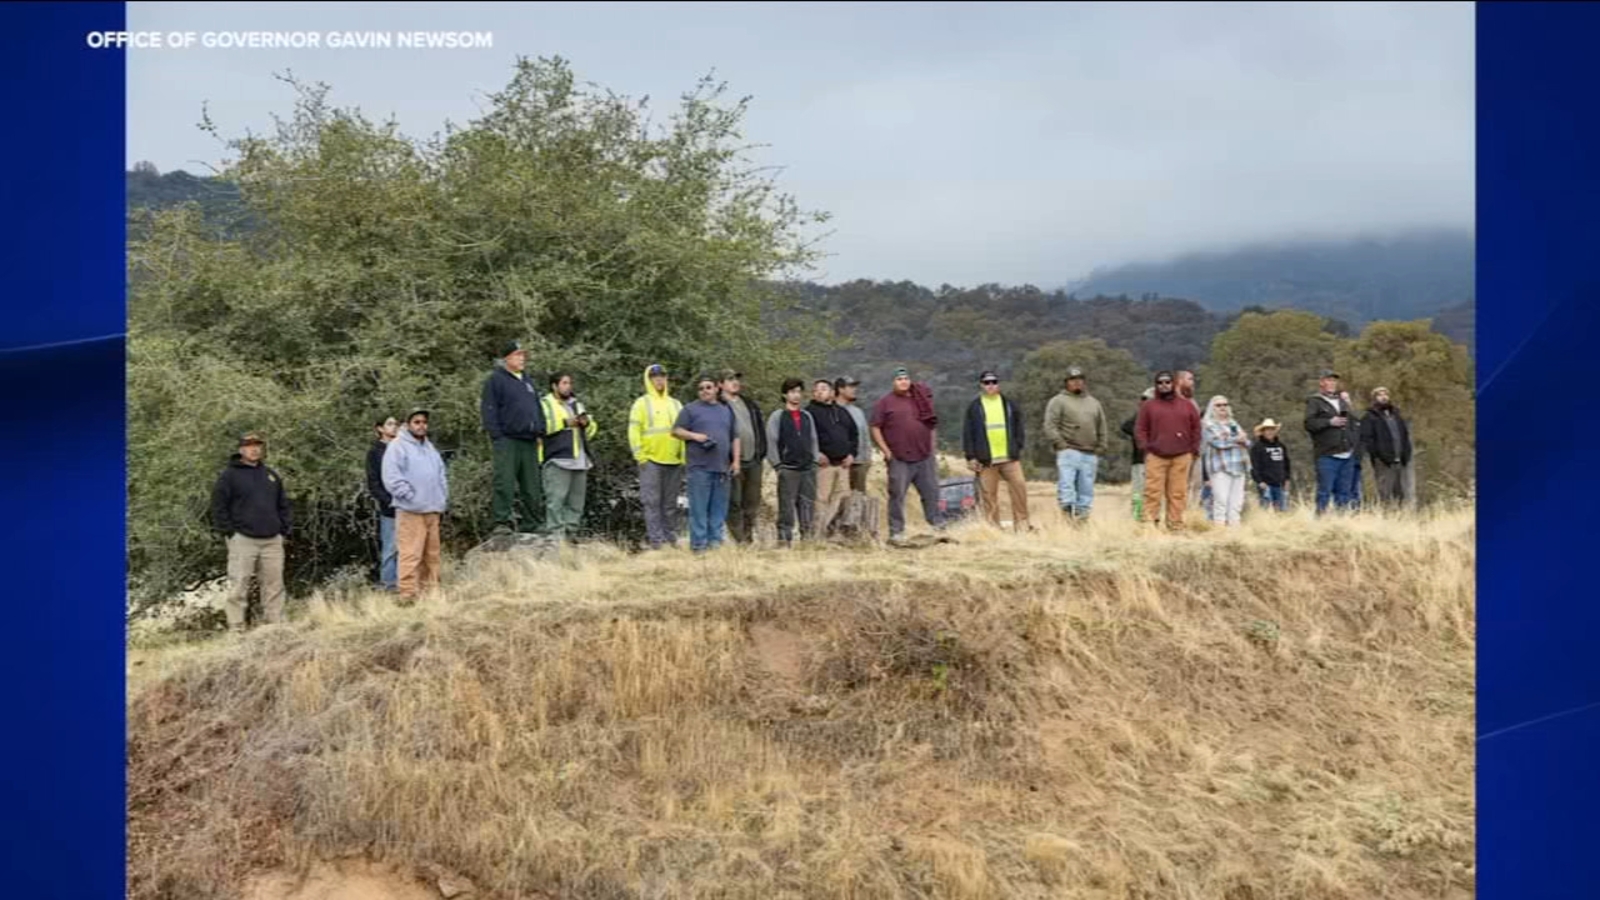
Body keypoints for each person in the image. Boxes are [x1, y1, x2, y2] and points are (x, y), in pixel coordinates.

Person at [210, 432, 293, 631]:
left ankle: (275, 624)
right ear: (241, 450)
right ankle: (236, 626)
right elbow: (218, 507)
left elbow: (283, 504)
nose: (254, 449)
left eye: (257, 445)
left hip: (272, 539)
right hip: (243, 539)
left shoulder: (270, 475)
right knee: (239, 584)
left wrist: (284, 529)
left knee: (274, 584)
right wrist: (230, 532)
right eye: (249, 445)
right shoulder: (228, 476)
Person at [870, 366, 945, 540]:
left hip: (924, 456)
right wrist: (886, 451)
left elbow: (931, 424)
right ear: (892, 382)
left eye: (905, 379)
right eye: (899, 379)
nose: (903, 382)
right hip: (899, 457)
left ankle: (937, 525)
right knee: (897, 495)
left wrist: (932, 447)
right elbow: (875, 427)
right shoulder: (885, 403)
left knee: (931, 492)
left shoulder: (920, 399)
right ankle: (897, 531)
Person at [383, 409, 449, 602]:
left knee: (432, 555)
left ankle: (431, 592)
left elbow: (441, 474)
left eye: (424, 422)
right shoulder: (397, 446)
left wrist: (442, 498)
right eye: (417, 422)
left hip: (432, 509)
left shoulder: (430, 448)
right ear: (408, 424)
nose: (421, 425)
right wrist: (409, 496)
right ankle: (408, 595)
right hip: (410, 510)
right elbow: (392, 477)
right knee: (410, 554)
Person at [480, 340, 545, 536]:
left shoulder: (528, 381)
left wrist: (540, 429)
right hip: (508, 439)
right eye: (518, 354)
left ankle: (532, 522)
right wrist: (497, 435)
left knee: (532, 484)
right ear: (507, 358)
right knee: (505, 482)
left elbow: (537, 408)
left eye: (523, 354)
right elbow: (488, 409)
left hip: (530, 440)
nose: (522, 358)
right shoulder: (496, 380)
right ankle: (502, 521)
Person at [672, 374, 741, 554]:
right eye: (701, 388)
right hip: (699, 467)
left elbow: (735, 437)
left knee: (718, 510)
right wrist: (695, 436)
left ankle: (715, 545)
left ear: (717, 389)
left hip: (722, 468)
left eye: (708, 387)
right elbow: (676, 431)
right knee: (699, 509)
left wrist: (736, 461)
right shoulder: (690, 409)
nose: (705, 391)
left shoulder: (726, 410)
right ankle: (699, 547)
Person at [962, 370, 1030, 531]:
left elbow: (1019, 427)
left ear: (998, 384)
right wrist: (971, 457)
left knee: (1019, 488)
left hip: (1010, 458)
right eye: (987, 383)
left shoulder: (1009, 404)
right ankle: (993, 530)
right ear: (981, 385)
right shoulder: (974, 407)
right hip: (987, 460)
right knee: (989, 496)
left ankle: (1022, 526)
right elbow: (967, 433)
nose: (991, 385)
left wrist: (1018, 445)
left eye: (994, 382)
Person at [1135, 371, 1202, 531]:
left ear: (1173, 384)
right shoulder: (1149, 406)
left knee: (1178, 493)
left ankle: (1175, 524)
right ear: (1156, 385)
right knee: (1152, 492)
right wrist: (1146, 446)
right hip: (1156, 455)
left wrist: (1193, 449)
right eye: (1160, 383)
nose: (1164, 385)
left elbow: (1196, 428)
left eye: (1167, 382)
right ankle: (1150, 524)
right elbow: (1140, 428)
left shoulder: (1187, 405)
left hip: (1181, 455)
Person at [629, 364, 686, 550]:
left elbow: (684, 431)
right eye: (655, 377)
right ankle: (657, 542)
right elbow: (633, 430)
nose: (659, 379)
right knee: (652, 503)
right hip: (651, 460)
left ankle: (671, 539)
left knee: (670, 504)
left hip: (674, 460)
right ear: (649, 379)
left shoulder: (676, 404)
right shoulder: (641, 403)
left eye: (662, 376)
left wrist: (684, 457)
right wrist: (640, 456)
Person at [1042, 366, 1108, 521]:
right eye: (1073, 380)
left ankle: (1082, 519)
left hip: (1090, 452)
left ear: (1084, 382)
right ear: (1066, 383)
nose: (1077, 383)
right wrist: (1060, 443)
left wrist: (1102, 445)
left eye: (1080, 380)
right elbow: (1050, 425)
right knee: (1067, 485)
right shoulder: (1058, 401)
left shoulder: (1094, 403)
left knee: (1086, 489)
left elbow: (1102, 425)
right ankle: (1067, 516)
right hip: (1069, 450)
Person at [538, 372, 598, 540]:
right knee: (556, 500)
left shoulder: (577, 404)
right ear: (554, 386)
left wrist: (588, 424)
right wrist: (566, 423)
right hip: (558, 458)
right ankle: (555, 536)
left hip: (580, 459)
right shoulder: (545, 404)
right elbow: (541, 427)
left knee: (576, 502)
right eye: (564, 383)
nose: (568, 386)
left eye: (569, 383)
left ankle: (571, 534)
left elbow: (591, 431)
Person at [766, 378, 820, 545]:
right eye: (792, 392)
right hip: (788, 468)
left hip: (807, 468)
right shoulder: (778, 416)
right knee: (786, 506)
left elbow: (813, 439)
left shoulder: (806, 416)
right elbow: (771, 441)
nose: (796, 395)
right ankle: (784, 540)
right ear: (785, 394)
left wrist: (815, 460)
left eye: (798, 392)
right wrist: (777, 465)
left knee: (807, 505)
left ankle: (808, 539)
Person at [720, 369, 768, 545]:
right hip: (731, 461)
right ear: (720, 384)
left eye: (737, 379)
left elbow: (759, 429)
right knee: (734, 501)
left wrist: (761, 451)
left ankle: (748, 538)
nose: (735, 382)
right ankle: (739, 539)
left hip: (754, 459)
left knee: (752, 502)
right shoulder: (719, 405)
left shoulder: (749, 404)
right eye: (730, 379)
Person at [1304, 369, 1361, 514]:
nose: (1332, 383)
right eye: (1328, 380)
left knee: (1344, 493)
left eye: (1334, 380)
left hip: (1347, 454)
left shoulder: (1342, 401)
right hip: (1327, 454)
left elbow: (1355, 422)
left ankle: (1340, 523)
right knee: (1325, 491)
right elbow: (1309, 424)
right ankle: (1321, 520)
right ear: (1321, 382)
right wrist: (1329, 422)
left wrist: (1349, 404)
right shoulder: (1315, 401)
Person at [807, 378, 859, 532]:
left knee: (842, 499)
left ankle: (833, 532)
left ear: (831, 392)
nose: (819, 392)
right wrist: (816, 454)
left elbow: (853, 434)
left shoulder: (842, 412)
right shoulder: (810, 412)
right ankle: (817, 533)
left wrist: (851, 454)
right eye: (816, 390)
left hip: (843, 465)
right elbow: (806, 437)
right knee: (821, 500)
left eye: (823, 389)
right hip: (823, 466)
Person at [1200, 396, 1251, 527]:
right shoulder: (1207, 424)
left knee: (1237, 501)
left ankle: (1235, 527)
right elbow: (1217, 442)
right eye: (1218, 405)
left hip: (1239, 465)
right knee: (1221, 499)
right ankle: (1220, 528)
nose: (1222, 407)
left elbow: (1247, 442)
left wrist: (1238, 439)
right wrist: (1237, 440)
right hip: (1220, 466)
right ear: (1212, 408)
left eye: (1225, 404)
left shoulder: (1233, 423)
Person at [1360, 386, 1412, 507]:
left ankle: (1400, 518)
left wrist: (1406, 454)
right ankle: (1386, 518)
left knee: (1400, 493)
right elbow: (1367, 439)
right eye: (1379, 395)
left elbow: (1405, 436)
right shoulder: (1370, 417)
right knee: (1385, 493)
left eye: (1386, 394)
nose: (1383, 397)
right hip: (1383, 462)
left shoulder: (1396, 416)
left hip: (1400, 459)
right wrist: (1378, 455)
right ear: (1374, 398)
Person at [365, 416, 400, 591]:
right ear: (380, 428)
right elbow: (373, 483)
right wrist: (389, 501)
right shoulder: (375, 452)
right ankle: (389, 583)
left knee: (407, 547)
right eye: (390, 424)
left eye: (396, 424)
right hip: (390, 508)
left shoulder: (403, 448)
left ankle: (405, 583)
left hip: (410, 506)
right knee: (390, 547)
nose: (394, 427)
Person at [835, 376, 874, 493]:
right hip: (840, 464)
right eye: (851, 387)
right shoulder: (831, 411)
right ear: (841, 389)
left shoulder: (858, 412)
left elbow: (865, 435)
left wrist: (867, 459)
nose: (854, 390)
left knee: (859, 497)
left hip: (860, 463)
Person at [1121, 388, 1155, 522]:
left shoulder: (1162, 418)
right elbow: (1125, 426)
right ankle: (1136, 517)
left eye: (1148, 400)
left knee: (1154, 492)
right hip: (1139, 461)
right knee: (1138, 492)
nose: (1145, 402)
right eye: (1143, 399)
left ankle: (1152, 517)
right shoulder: (1137, 418)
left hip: (1158, 460)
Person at [1249, 418, 1292, 512]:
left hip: (1280, 483)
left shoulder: (1281, 446)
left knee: (1282, 510)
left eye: (1272, 429)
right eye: (1267, 429)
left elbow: (1286, 463)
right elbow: (1254, 466)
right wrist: (1260, 481)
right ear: (1263, 432)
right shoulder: (1257, 447)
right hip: (1266, 484)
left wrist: (1287, 479)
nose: (1270, 432)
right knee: (1265, 509)